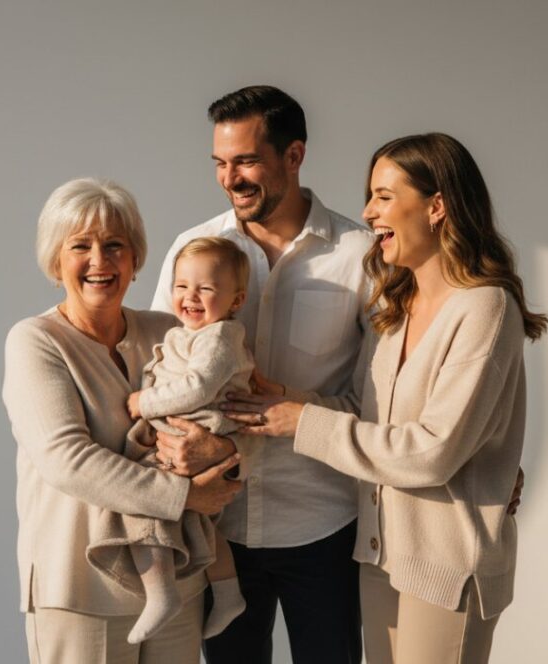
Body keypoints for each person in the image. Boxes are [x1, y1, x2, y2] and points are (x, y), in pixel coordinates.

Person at [222, 133, 548, 663]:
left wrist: (301, 422)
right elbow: (364, 415)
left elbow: (432, 452)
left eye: (383, 196)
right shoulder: (398, 303)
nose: (368, 211)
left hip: (446, 566)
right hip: (381, 558)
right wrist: (288, 400)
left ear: (437, 206)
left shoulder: (485, 308)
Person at [150, 86, 372, 663]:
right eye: (221, 163)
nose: (231, 178)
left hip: (323, 523)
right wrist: (182, 452)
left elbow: (377, 405)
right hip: (219, 524)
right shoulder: (192, 250)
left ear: (293, 156)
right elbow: (159, 371)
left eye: (246, 161)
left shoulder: (361, 255)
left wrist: (294, 412)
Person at [2, 178, 242, 664]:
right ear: (56, 260)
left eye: (115, 245)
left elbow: (227, 415)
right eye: (80, 246)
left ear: (135, 260)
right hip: (79, 586)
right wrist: (187, 496)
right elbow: (68, 461)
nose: (100, 261)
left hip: (180, 578)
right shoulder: (35, 341)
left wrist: (223, 455)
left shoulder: (170, 330)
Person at [85, 237, 253, 644]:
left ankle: (161, 595)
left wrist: (146, 402)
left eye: (206, 289)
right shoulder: (185, 333)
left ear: (236, 299)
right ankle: (229, 595)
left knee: (144, 500)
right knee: (199, 520)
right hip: (183, 433)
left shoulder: (219, 338)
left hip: (199, 431)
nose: (190, 296)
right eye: (181, 286)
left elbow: (197, 388)